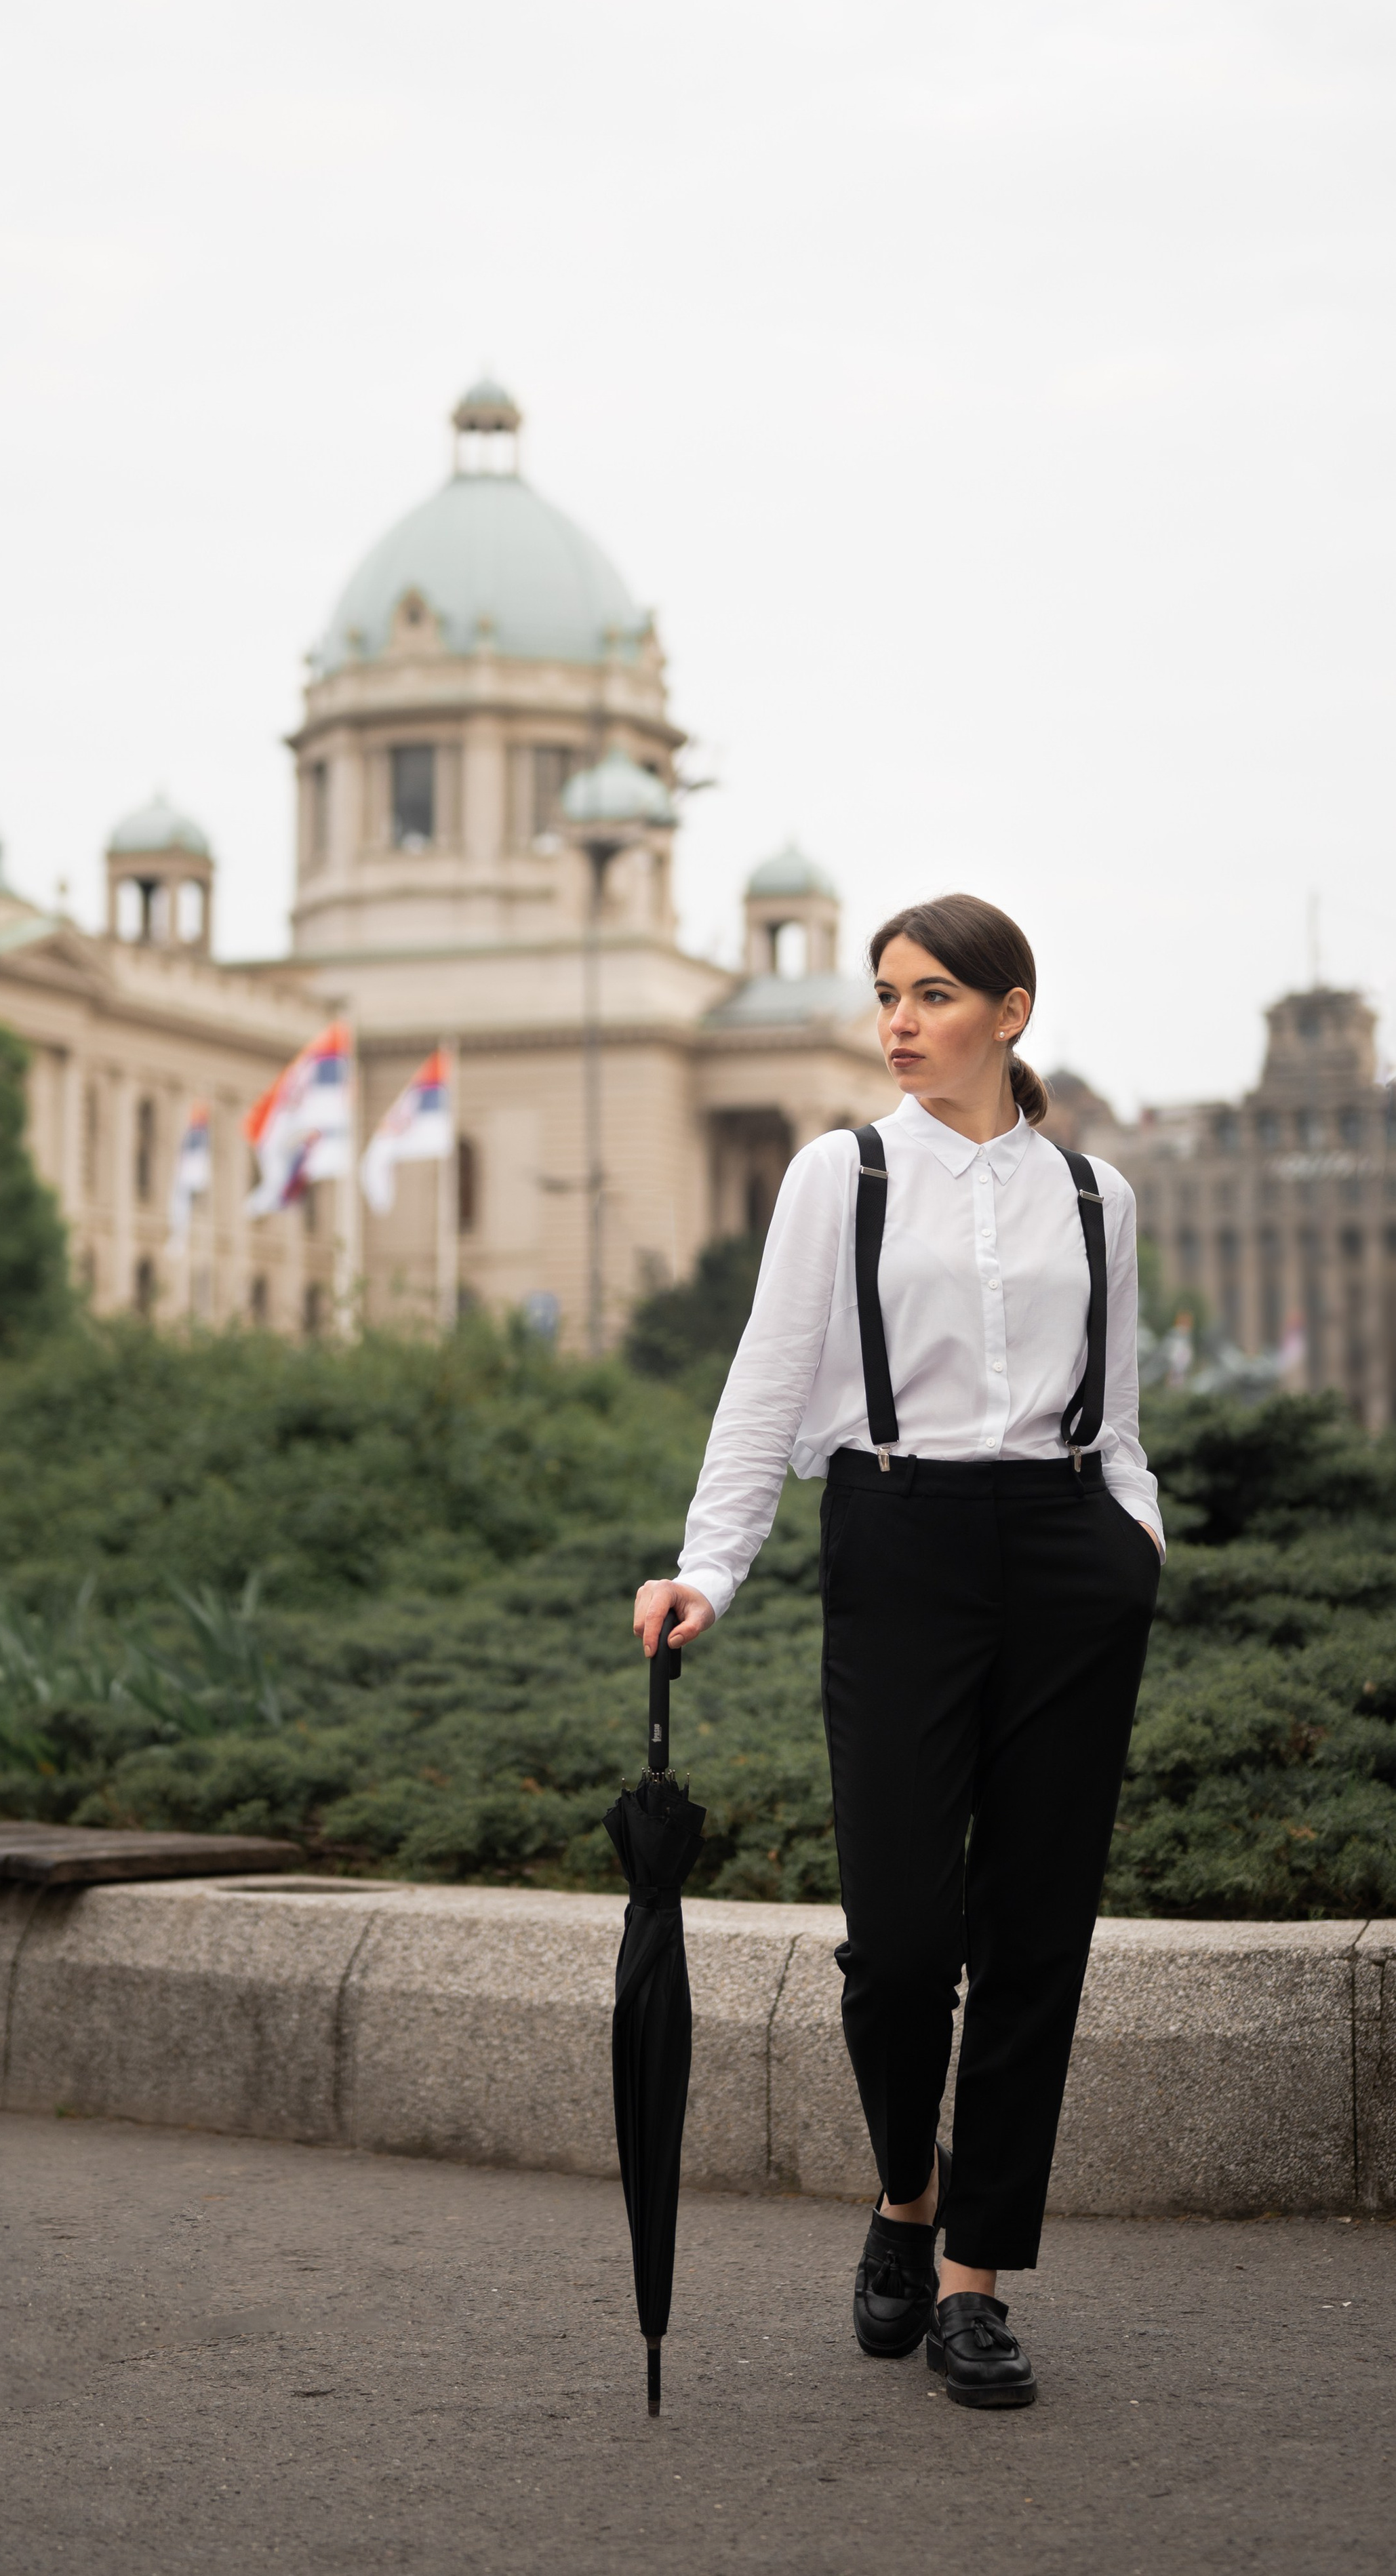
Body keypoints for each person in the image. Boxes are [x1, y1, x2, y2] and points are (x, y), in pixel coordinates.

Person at [632, 894, 1161, 2410]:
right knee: (904, 1940)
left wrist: (1132, 1545)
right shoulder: (837, 1173)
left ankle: (974, 2280)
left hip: (1066, 1559)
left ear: (1009, 1009)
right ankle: (906, 2194)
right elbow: (766, 1379)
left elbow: (1114, 1412)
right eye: (885, 995)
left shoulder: (1089, 1194)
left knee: (1034, 1934)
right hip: (897, 1543)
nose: (898, 1022)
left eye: (931, 994)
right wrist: (709, 1567)